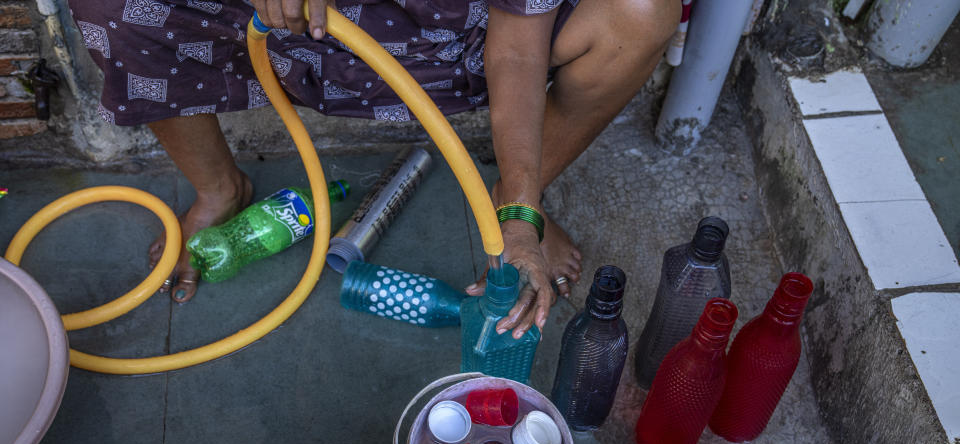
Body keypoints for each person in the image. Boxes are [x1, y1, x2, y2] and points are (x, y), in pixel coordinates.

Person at [68, 0, 679, 337]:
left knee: (641, 10)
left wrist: (521, 214)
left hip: (454, 35)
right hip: (291, 24)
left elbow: (519, 47)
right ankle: (218, 188)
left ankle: (520, 194)